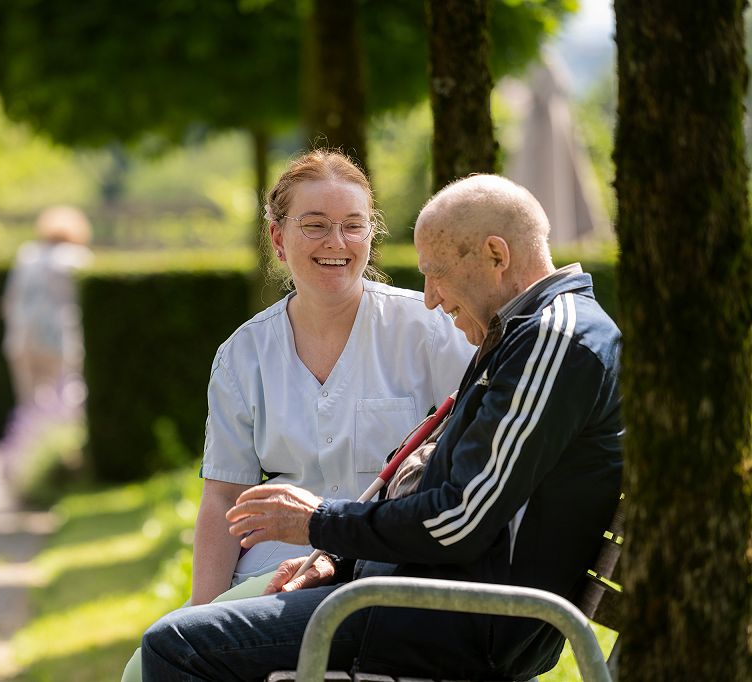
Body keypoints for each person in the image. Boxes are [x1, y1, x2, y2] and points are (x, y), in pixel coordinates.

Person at [140, 174, 624, 681]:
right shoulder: (526, 335)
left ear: (496, 255)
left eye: (436, 274)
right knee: (183, 636)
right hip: (426, 598)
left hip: (464, 618)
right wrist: (339, 560)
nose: (432, 299)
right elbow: (451, 501)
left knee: (175, 646)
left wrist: (319, 522)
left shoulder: (553, 337)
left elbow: (457, 520)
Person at [122, 150, 474, 681]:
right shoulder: (243, 355)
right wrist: (201, 609)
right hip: (273, 571)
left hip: (380, 565)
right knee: (153, 659)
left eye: (353, 226)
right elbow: (222, 497)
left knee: (154, 661)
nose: (337, 243)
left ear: (371, 236)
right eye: (315, 226)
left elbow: (473, 451)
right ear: (278, 239)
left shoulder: (426, 329)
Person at [2, 205, 93, 411]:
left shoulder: (27, 255)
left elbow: (11, 298)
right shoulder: (78, 258)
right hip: (60, 335)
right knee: (66, 394)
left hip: (22, 335)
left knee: (29, 400)